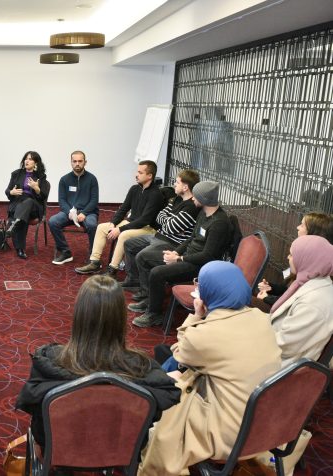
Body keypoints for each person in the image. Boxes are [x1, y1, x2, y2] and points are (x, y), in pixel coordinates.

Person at [138, 261, 281, 476]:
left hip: (229, 431)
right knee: (172, 369)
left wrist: (197, 314)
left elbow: (181, 351)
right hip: (264, 422)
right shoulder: (262, 319)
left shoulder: (208, 334)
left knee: (169, 398)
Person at [15, 275, 180, 446]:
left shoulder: (50, 361)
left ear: (79, 315)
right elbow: (153, 417)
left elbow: (37, 418)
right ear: (121, 318)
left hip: (60, 449)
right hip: (120, 451)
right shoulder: (142, 367)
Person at [130, 181, 231, 328]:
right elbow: (191, 238)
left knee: (157, 273)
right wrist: (176, 252)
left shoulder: (219, 223)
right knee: (143, 257)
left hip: (200, 266)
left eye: (196, 196)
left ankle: (154, 314)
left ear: (204, 199)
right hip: (187, 256)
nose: (193, 198)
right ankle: (149, 300)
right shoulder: (203, 213)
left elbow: (208, 256)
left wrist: (178, 259)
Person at [75, 160, 164, 275]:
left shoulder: (155, 194)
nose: (136, 175)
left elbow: (144, 220)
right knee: (101, 227)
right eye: (137, 171)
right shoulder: (134, 189)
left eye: (140, 172)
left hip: (147, 228)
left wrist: (120, 229)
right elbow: (123, 209)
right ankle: (95, 263)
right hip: (132, 223)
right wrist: (113, 223)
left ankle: (112, 269)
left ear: (150, 176)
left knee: (123, 235)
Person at [120, 170, 201, 288]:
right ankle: (134, 280)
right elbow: (159, 216)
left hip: (171, 243)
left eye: (177, 182)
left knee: (142, 256)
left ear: (185, 187)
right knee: (129, 244)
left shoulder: (191, 207)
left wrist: (168, 222)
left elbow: (171, 228)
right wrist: (170, 221)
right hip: (159, 236)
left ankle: (146, 291)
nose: (174, 184)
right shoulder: (177, 199)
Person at [269, 235, 333, 367]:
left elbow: (285, 346)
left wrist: (253, 337)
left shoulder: (314, 303)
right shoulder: (310, 280)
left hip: (280, 366)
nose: (288, 257)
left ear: (308, 259)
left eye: (292, 255)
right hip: (274, 349)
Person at [257, 212, 333, 307]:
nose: (297, 227)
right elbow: (288, 289)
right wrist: (270, 287)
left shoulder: (317, 271)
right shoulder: (306, 256)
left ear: (314, 233)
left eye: (302, 225)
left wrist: (267, 298)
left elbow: (296, 303)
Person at [49, 151, 99, 265]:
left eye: (80, 161)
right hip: (69, 212)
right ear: (71, 162)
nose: (77, 163)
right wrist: (70, 212)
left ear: (85, 162)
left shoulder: (92, 179)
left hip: (88, 212)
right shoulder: (64, 179)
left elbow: (94, 200)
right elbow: (62, 200)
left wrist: (84, 213)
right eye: (74, 161)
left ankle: (93, 256)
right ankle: (65, 252)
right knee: (53, 221)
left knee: (92, 225)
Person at [4, 151, 51, 259]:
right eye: (26, 158)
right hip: (18, 204)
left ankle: (13, 225)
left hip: (34, 205)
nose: (27, 161)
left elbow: (43, 197)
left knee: (28, 202)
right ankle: (20, 249)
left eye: (30, 159)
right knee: (22, 217)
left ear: (36, 163)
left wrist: (37, 189)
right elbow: (7, 190)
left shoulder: (40, 176)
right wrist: (11, 192)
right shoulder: (16, 174)